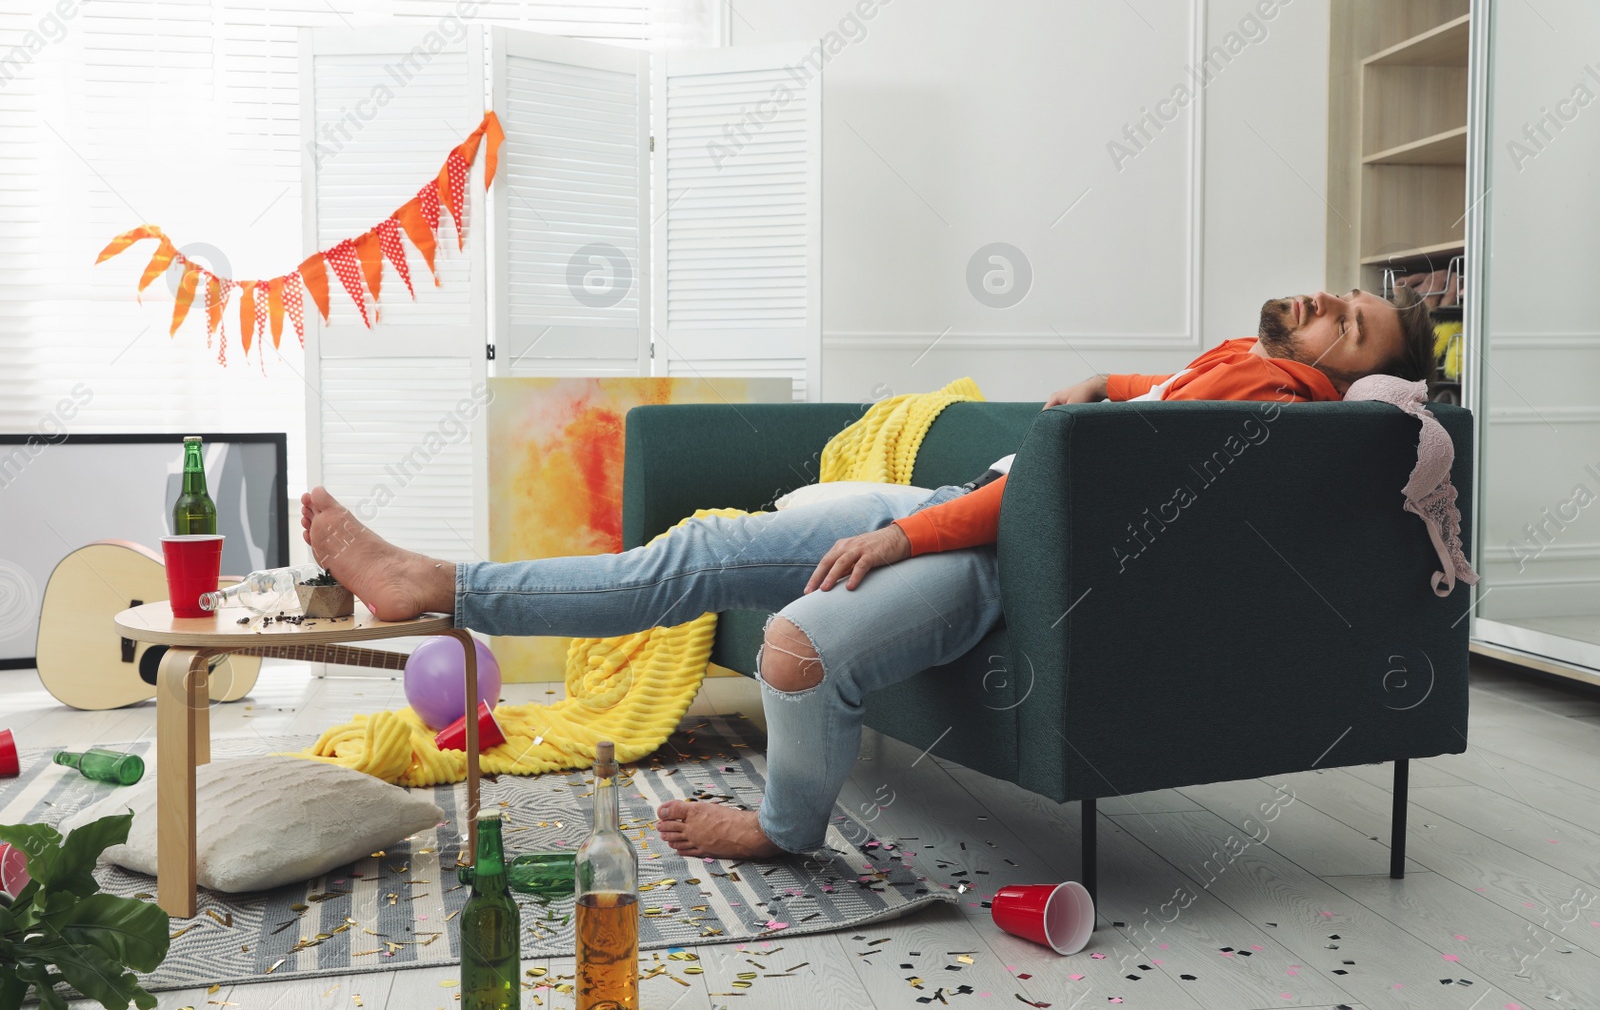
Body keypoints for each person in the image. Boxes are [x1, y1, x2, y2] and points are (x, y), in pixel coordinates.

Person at [300, 289, 1435, 861]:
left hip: (1006, 545)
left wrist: (909, 536)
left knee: (792, 642)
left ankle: (786, 832)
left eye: (1355, 325)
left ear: (1354, 374)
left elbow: (1073, 492)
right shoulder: (1244, 362)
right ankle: (433, 582)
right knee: (699, 549)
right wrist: (1098, 379)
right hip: (977, 508)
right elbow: (1141, 398)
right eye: (1339, 295)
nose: (1327, 305)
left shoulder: (1279, 399)